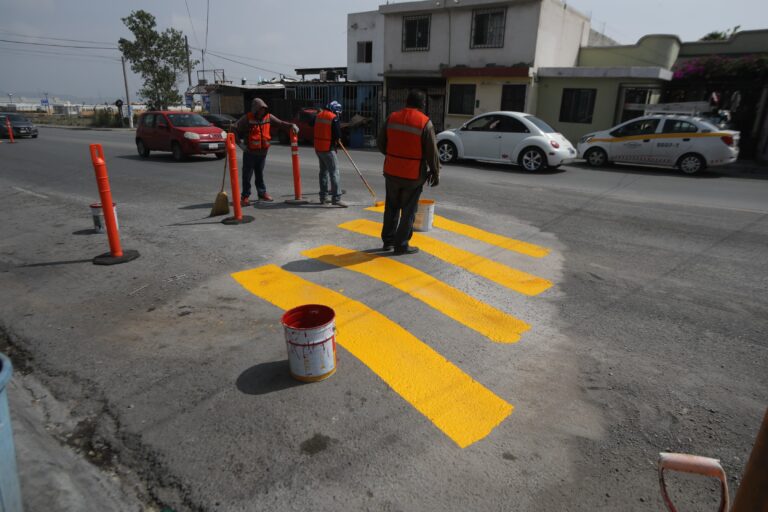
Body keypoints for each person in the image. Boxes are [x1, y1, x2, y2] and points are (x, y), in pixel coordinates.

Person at [377, 89, 439, 255]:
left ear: (406, 102)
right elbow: (432, 152)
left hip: (391, 172)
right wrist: (435, 172)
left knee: (391, 207)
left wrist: (393, 157)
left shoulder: (392, 118)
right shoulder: (425, 123)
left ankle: (388, 242)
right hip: (413, 176)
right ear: (422, 105)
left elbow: (381, 143)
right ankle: (401, 244)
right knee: (409, 210)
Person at [234, 98, 298, 205]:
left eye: (264, 109)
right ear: (255, 109)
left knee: (259, 174)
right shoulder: (247, 118)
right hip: (250, 153)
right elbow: (234, 128)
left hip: (262, 153)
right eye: (260, 109)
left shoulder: (268, 117)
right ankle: (245, 197)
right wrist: (240, 145)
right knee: (247, 176)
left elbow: (281, 123)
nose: (262, 111)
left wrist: (291, 125)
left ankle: (262, 193)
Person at [313, 101, 346, 207]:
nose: (338, 114)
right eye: (338, 112)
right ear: (335, 110)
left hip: (318, 148)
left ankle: (323, 197)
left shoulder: (318, 115)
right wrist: (338, 140)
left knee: (323, 172)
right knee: (334, 173)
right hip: (328, 148)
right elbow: (337, 134)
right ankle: (336, 198)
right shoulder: (333, 118)